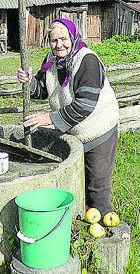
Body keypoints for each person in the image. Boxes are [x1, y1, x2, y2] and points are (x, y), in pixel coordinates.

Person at [17, 18, 119, 216]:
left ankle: (106, 227)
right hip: (75, 132)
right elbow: (42, 90)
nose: (59, 44)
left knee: (96, 185)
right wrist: (29, 82)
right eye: (54, 40)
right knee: (77, 180)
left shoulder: (87, 61)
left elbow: (85, 105)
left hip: (99, 129)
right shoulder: (52, 60)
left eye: (64, 39)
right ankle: (83, 219)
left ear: (73, 38)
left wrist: (50, 119)